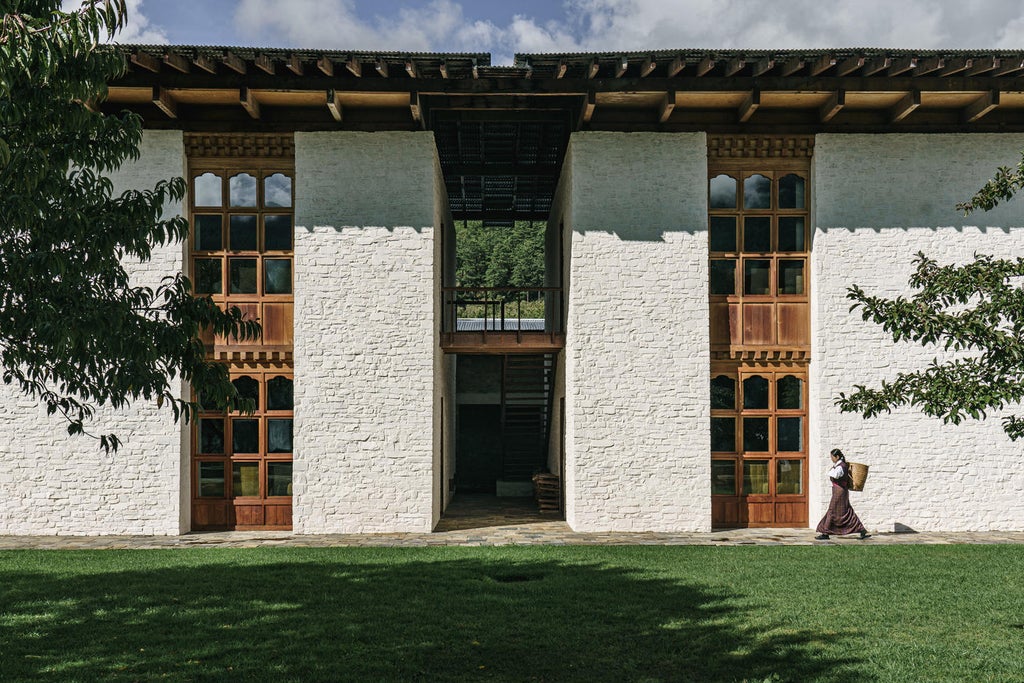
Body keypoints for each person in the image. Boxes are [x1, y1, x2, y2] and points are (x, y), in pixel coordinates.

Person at [815, 448, 869, 540]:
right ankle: (861, 530)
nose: (831, 459)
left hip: (840, 491)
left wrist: (830, 471)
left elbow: (835, 475)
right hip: (839, 491)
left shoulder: (841, 466)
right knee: (847, 511)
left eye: (832, 457)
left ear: (837, 457)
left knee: (832, 510)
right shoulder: (838, 465)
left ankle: (825, 533)